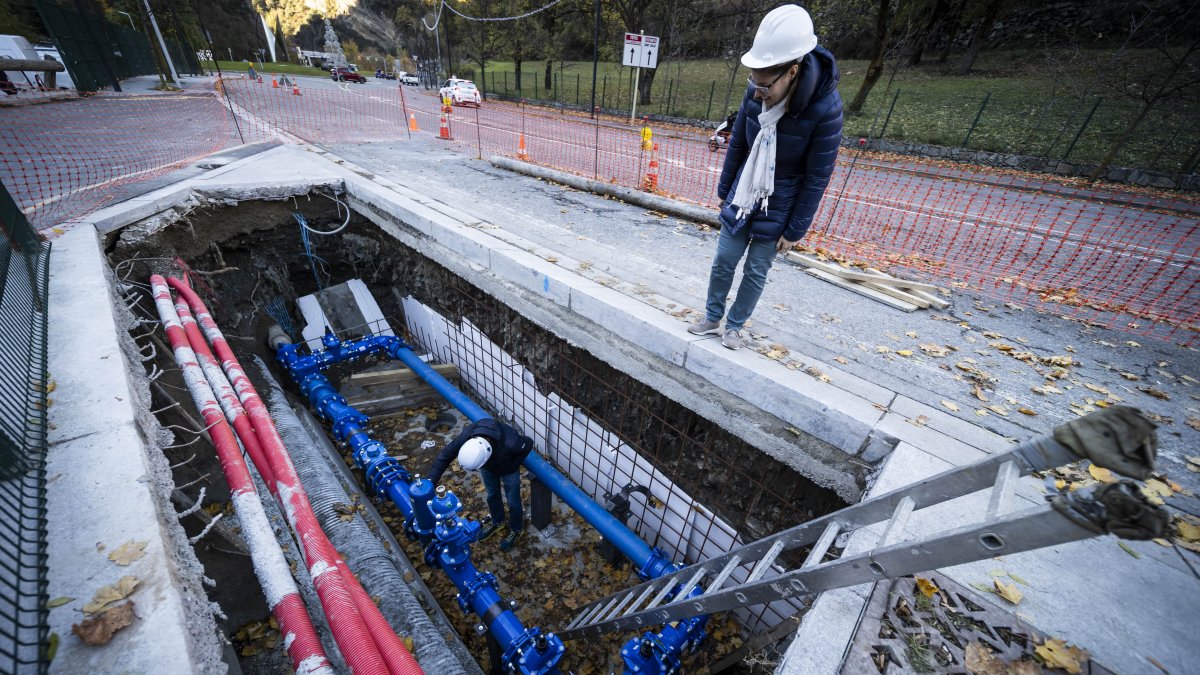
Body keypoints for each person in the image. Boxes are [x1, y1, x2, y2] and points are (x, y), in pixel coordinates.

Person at [688, 4, 843, 350]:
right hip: (743, 193)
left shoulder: (826, 109)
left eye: (765, 85)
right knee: (724, 258)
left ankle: (735, 327)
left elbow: (818, 176)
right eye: (753, 83)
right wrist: (725, 189)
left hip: (782, 201)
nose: (758, 92)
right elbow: (739, 143)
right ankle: (713, 318)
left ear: (792, 71)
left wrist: (795, 229)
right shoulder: (755, 92)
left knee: (756, 270)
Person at [426, 418, 534, 551]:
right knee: (492, 494)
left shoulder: (512, 443)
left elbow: (528, 443)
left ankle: (517, 530)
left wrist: (512, 465)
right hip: (489, 467)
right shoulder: (468, 435)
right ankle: (497, 521)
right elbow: (445, 455)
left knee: (513, 502)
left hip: (508, 469)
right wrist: (430, 483)